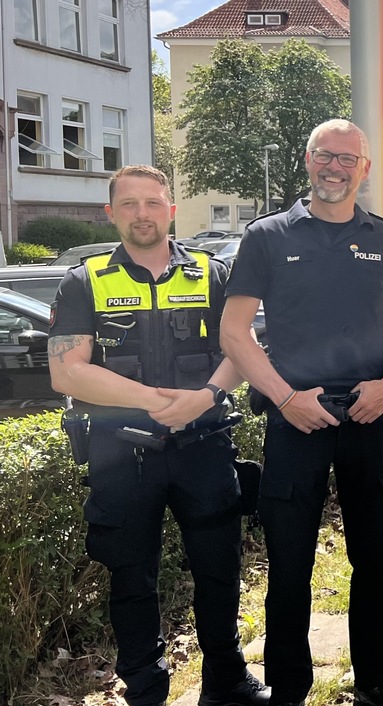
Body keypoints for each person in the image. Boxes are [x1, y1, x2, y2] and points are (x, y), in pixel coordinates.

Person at [220, 119, 383, 706]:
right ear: (307, 160)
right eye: (325, 156)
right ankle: (288, 688)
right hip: (295, 418)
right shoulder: (266, 236)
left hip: (372, 413)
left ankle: (374, 681)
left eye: (348, 159)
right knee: (288, 565)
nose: (336, 168)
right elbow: (235, 334)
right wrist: (285, 398)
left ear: (365, 170)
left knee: (371, 559)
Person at [47, 165, 268, 706]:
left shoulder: (213, 274)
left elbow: (239, 349)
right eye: (129, 204)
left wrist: (206, 397)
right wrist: (153, 400)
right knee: (130, 578)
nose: (142, 213)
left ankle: (226, 680)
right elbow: (66, 371)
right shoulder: (84, 280)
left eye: (153, 203)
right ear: (111, 213)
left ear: (171, 210)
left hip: (204, 446)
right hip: (121, 453)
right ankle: (145, 687)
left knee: (219, 568)